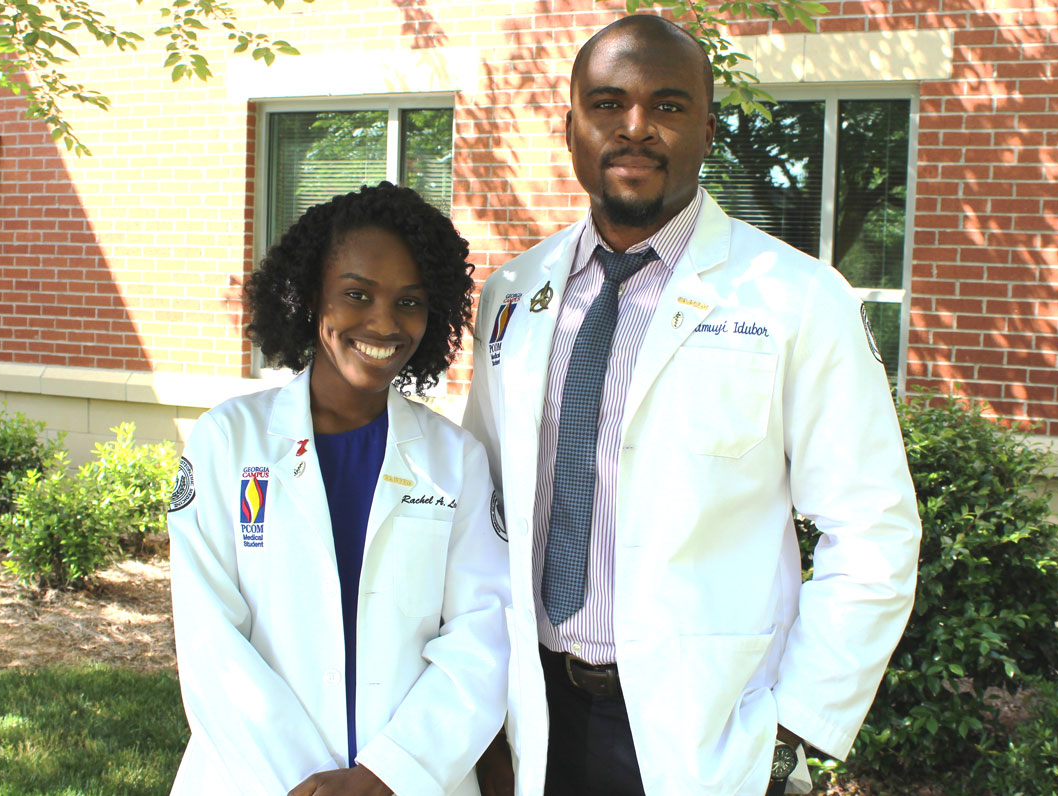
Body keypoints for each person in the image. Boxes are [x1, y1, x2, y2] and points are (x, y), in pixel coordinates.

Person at [462, 15, 922, 796]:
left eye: (668, 107)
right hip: (533, 711)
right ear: (568, 126)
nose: (635, 128)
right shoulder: (514, 295)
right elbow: (482, 510)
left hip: (705, 730)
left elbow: (872, 530)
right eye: (607, 103)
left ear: (708, 130)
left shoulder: (796, 299)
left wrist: (793, 730)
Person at [168, 182, 509, 796]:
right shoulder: (228, 442)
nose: (383, 323)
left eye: (409, 302)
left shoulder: (455, 460)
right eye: (357, 294)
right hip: (259, 778)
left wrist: (387, 776)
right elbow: (209, 638)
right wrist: (304, 783)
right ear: (308, 300)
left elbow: (483, 633)